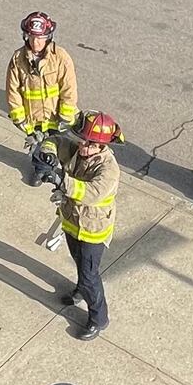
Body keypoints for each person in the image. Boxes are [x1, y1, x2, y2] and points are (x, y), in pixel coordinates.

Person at [55, 112, 121, 339]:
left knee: (90, 276)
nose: (82, 145)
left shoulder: (109, 171)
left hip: (93, 231)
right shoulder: (79, 151)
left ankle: (98, 319)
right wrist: (44, 150)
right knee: (78, 261)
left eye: (89, 143)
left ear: (101, 146)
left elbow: (90, 193)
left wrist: (59, 180)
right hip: (73, 223)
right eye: (81, 139)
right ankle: (80, 290)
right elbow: (57, 141)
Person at [6, 11, 78, 182]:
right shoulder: (18, 59)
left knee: (63, 146)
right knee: (38, 146)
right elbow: (13, 91)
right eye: (31, 37)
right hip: (33, 118)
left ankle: (65, 173)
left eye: (40, 37)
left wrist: (65, 116)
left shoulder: (60, 57)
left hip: (56, 116)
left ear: (48, 37)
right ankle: (41, 169)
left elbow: (69, 88)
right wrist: (20, 120)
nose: (35, 42)